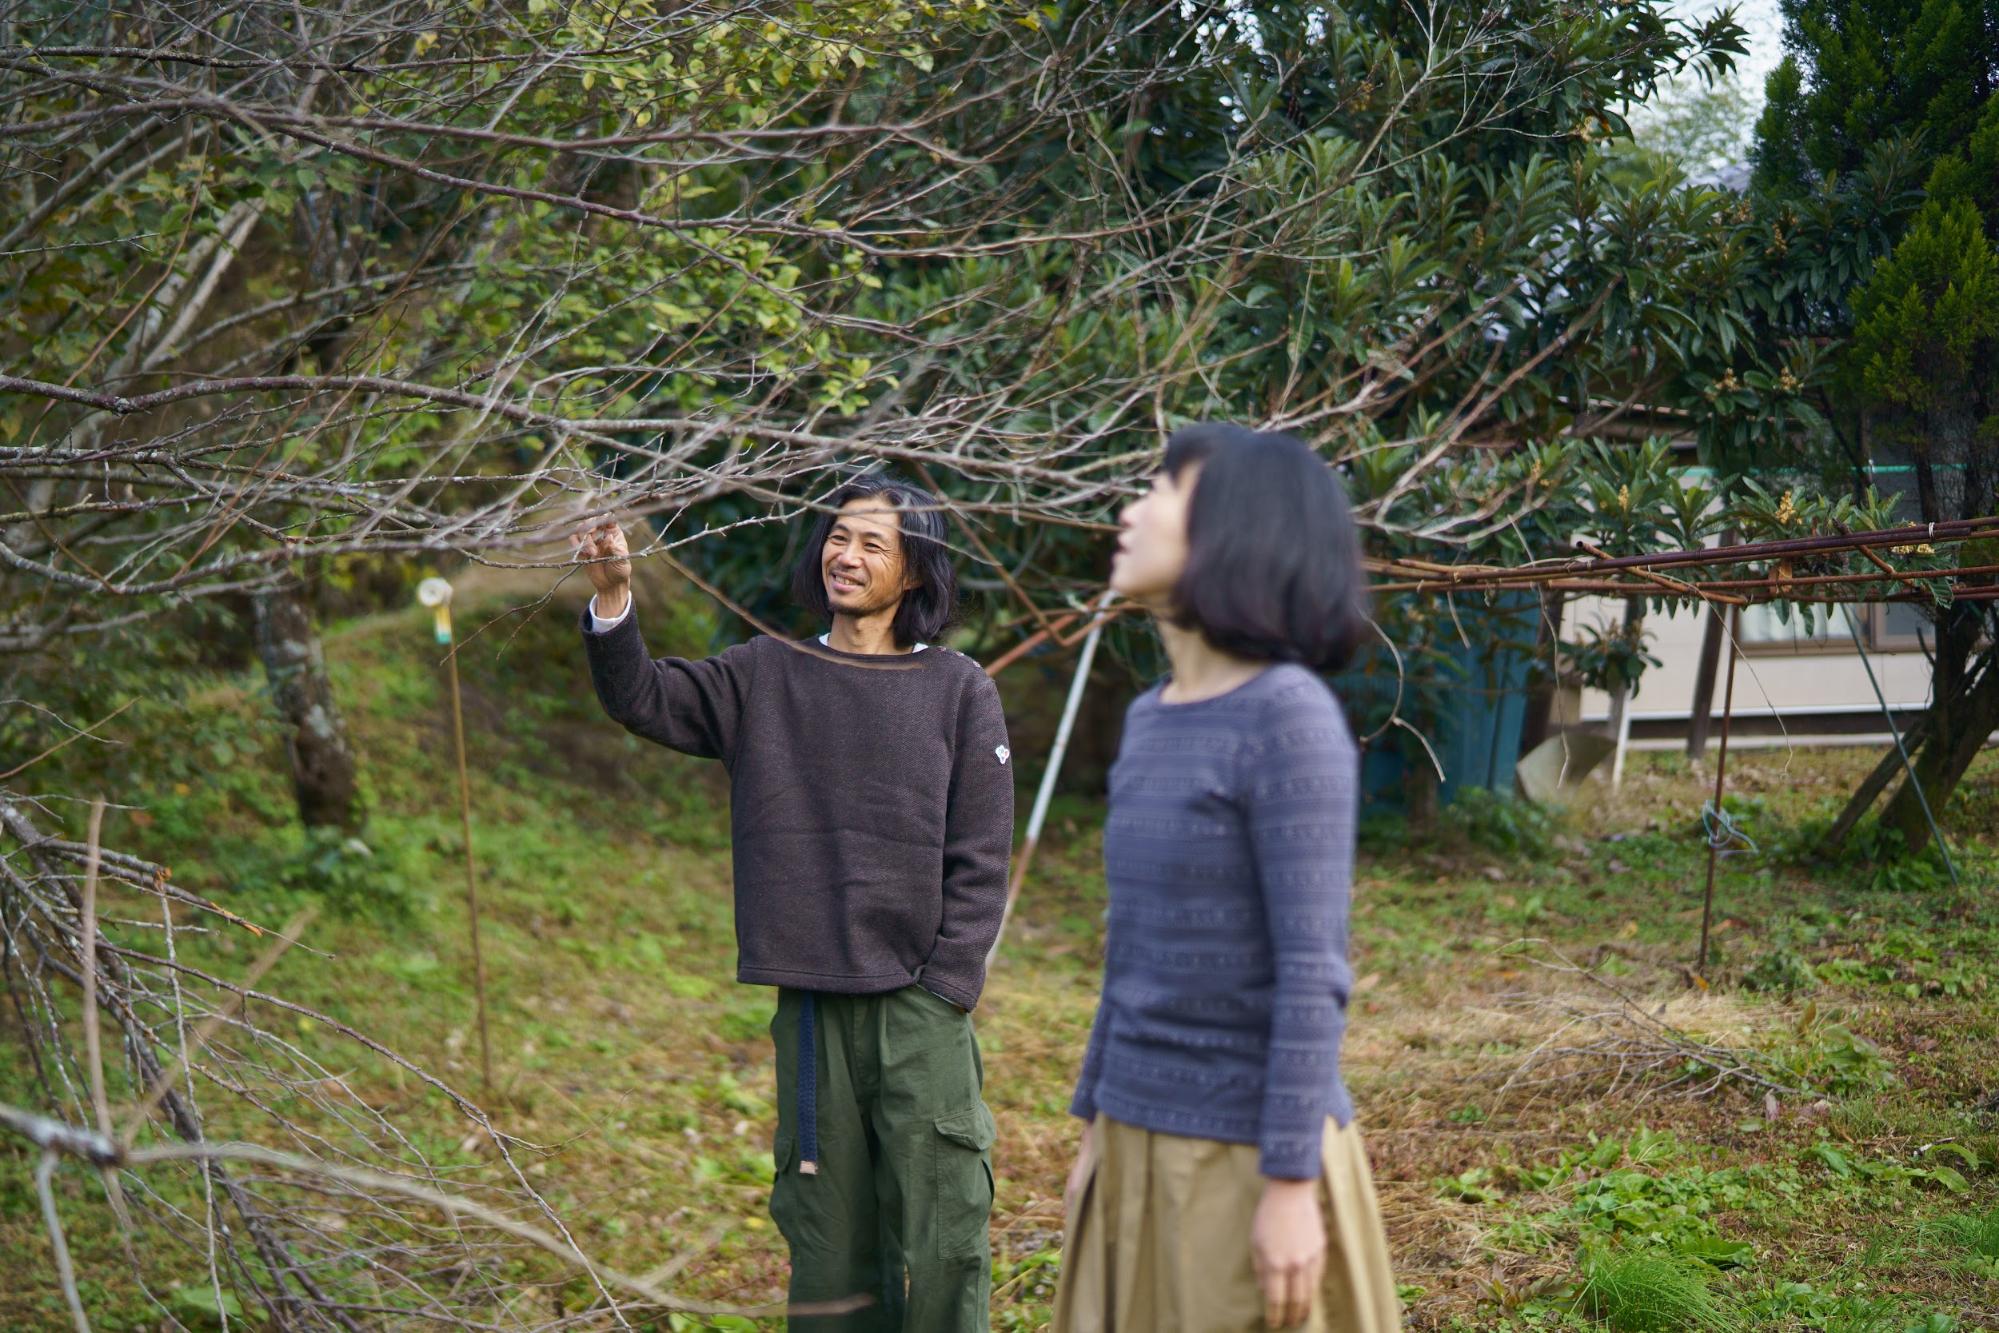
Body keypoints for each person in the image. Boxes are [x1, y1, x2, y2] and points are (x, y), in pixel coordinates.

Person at [571, 475, 1014, 1333]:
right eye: (837, 536)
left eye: (871, 544)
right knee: (827, 1242)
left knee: (945, 1229)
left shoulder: (958, 688)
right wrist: (616, 597)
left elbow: (980, 856)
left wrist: (948, 984)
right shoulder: (768, 670)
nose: (844, 555)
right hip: (811, 1004)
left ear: (915, 571)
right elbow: (644, 698)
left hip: (920, 1004)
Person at [1052, 424, 1399, 1333]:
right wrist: (1094, 1118)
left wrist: (1288, 1185)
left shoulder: (1289, 718)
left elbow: (1310, 973)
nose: (1130, 509)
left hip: (1242, 1152)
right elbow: (1128, 951)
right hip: (1133, 1133)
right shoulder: (1148, 718)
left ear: (1234, 529)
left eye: (1161, 490)